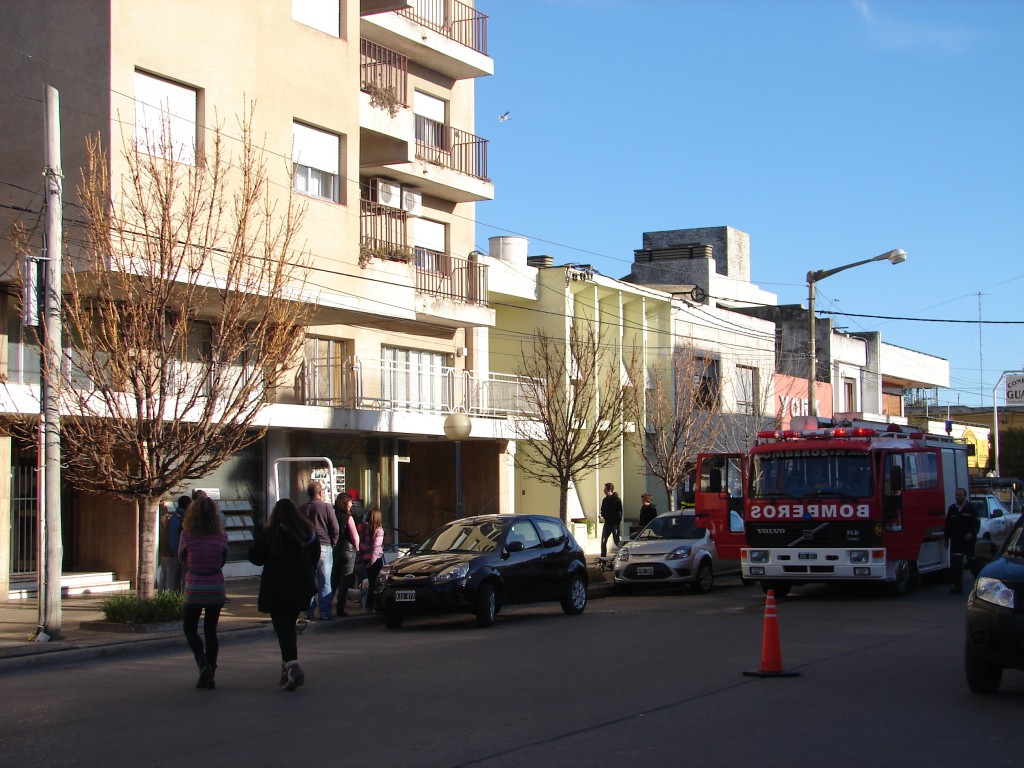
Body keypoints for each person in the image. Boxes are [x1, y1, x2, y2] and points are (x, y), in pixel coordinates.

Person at [248, 498, 320, 692]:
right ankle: (286, 668)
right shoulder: (307, 533)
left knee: (283, 629)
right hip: (300, 587)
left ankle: (292, 666)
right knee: (289, 626)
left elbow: (255, 557)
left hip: (277, 587)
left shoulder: (271, 533)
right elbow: (316, 556)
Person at [178, 495, 228, 690]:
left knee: (190, 628)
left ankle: (202, 663)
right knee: (211, 631)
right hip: (215, 584)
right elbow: (223, 559)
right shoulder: (221, 536)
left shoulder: (187, 535)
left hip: (195, 584)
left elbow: (182, 559)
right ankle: (211, 670)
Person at [300, 481, 339, 621]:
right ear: (321, 493)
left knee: (308, 580)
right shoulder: (326, 507)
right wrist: (333, 542)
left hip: (307, 547)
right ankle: (324, 612)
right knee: (325, 581)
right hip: (324, 545)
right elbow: (335, 527)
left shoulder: (302, 509)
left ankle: (308, 611)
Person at [945, 487, 980, 595]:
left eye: (960, 495)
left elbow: (976, 523)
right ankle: (958, 586)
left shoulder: (971, 508)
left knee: (974, 564)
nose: (958, 497)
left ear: (965, 496)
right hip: (957, 541)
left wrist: (972, 533)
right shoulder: (952, 509)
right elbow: (948, 525)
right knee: (956, 563)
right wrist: (947, 538)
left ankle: (980, 586)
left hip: (969, 542)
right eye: (957, 495)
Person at [331, 492, 361, 617]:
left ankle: (326, 605)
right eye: (349, 501)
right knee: (345, 580)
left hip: (336, 549)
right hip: (348, 550)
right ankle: (340, 608)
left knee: (334, 579)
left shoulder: (332, 516)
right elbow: (355, 537)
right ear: (345, 503)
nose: (351, 504)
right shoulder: (348, 518)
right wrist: (357, 549)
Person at [158, 495, 189, 592]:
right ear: (188, 505)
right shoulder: (182, 518)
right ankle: (175, 595)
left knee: (167, 576)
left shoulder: (173, 517)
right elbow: (175, 535)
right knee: (175, 576)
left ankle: (167, 594)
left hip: (169, 550)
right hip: (176, 551)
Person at [360, 507, 385, 612]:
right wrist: (372, 561)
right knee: (376, 584)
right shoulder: (379, 530)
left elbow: (361, 545)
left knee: (371, 583)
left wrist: (364, 557)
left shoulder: (365, 529)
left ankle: (369, 605)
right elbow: (376, 546)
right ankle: (375, 605)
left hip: (366, 558)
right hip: (376, 559)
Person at [599, 482, 623, 558]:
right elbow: (603, 510)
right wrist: (601, 515)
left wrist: (617, 523)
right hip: (607, 524)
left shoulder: (617, 500)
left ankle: (623, 555)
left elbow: (619, 512)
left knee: (616, 541)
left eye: (605, 489)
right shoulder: (605, 500)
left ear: (609, 490)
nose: (603, 490)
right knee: (603, 541)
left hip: (614, 525)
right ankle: (603, 558)